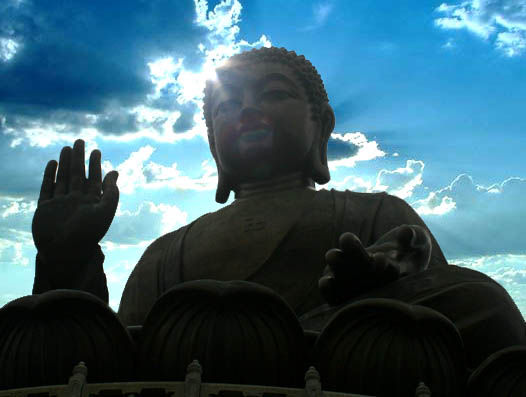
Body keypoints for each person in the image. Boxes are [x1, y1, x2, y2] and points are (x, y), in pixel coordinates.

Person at [32, 47, 525, 368]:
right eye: (226, 106)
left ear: (322, 126)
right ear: (212, 144)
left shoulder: (375, 211)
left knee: (480, 299)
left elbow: (434, 298)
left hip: (335, 356)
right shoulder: (168, 251)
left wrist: (384, 286)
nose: (246, 110)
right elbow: (111, 355)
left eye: (272, 94)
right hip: (198, 365)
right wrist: (67, 260)